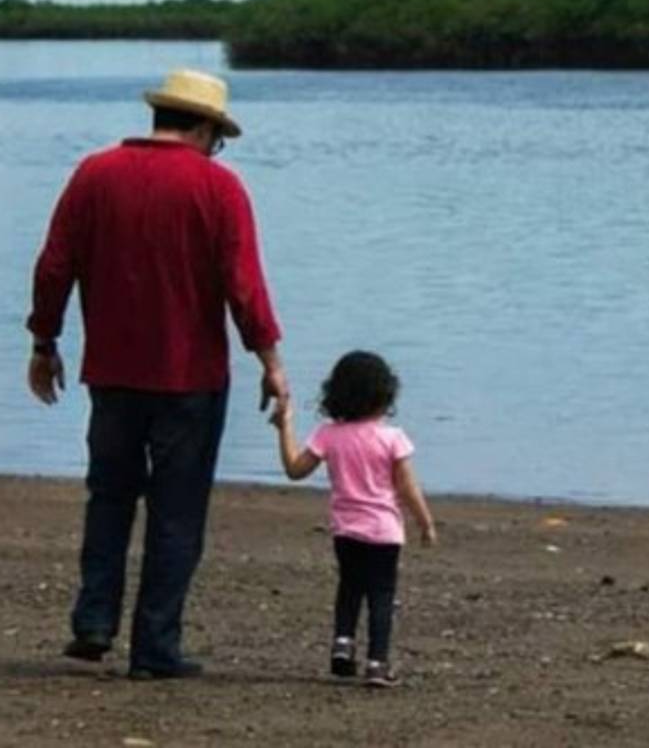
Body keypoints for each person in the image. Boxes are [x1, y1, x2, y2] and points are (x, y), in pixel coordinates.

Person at [26, 68, 288, 680]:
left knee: (109, 497)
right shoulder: (219, 189)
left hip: (111, 371)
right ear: (202, 128)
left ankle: (94, 622)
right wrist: (271, 362)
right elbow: (243, 288)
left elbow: (53, 265)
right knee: (177, 512)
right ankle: (155, 648)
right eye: (216, 137)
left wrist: (45, 341)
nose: (215, 147)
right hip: (191, 378)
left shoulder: (94, 173)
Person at [271, 350, 436, 687]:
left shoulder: (328, 435)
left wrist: (285, 425)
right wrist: (425, 523)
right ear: (385, 395)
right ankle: (377, 663)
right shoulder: (392, 439)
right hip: (384, 533)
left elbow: (294, 470)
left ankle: (342, 646)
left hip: (346, 531)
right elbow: (407, 487)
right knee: (381, 596)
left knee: (349, 587)